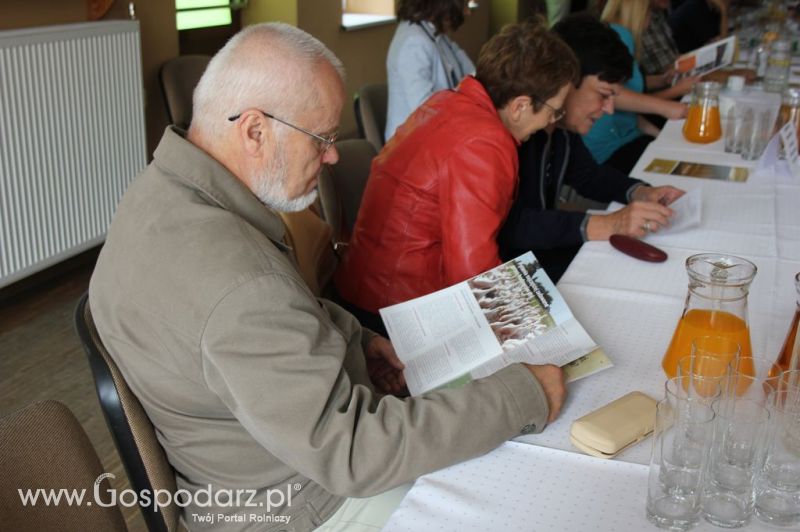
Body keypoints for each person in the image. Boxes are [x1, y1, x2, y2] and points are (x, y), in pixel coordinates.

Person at [89, 22, 568, 531]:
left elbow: (249, 322)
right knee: (517, 499)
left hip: (246, 461)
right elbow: (354, 454)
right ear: (254, 130)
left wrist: (353, 337)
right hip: (295, 504)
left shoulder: (162, 188)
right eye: (322, 138)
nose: (333, 155)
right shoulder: (238, 283)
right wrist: (522, 395)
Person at [335, 20, 580, 332]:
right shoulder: (486, 143)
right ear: (520, 106)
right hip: (399, 314)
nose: (551, 122)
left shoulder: (445, 101)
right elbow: (473, 273)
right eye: (554, 111)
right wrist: (538, 329)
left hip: (366, 292)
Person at [499, 14, 684, 282]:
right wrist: (607, 224)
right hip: (509, 269)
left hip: (536, 253)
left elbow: (588, 176)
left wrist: (640, 192)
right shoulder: (518, 135)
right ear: (565, 82)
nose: (609, 109)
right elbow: (509, 226)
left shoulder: (561, 131)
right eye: (603, 94)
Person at [581, 0, 688, 175]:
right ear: (641, 11)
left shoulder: (618, 32)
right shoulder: (621, 35)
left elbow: (630, 98)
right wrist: (668, 104)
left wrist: (660, 136)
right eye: (650, 14)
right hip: (610, 145)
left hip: (625, 135)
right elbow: (615, 95)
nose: (652, 20)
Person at [385, 0, 475, 140]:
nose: (467, 12)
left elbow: (470, 71)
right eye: (464, 5)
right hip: (411, 146)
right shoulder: (413, 42)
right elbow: (425, 112)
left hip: (432, 135)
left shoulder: (436, 35)